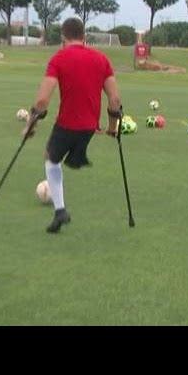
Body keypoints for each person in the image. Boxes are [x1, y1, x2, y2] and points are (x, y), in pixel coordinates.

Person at [24, 17, 122, 234]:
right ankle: (61, 207)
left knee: (51, 158)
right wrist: (113, 127)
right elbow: (114, 99)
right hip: (89, 129)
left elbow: (42, 101)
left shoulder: (59, 58)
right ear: (84, 36)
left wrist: (30, 126)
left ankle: (60, 211)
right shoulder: (101, 59)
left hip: (67, 125)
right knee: (58, 158)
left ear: (63, 38)